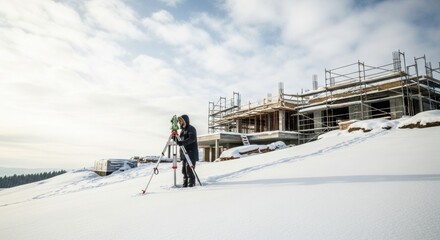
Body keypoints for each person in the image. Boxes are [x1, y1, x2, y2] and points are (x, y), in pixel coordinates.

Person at [175, 114, 198, 187]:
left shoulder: (191, 129)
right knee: (184, 171)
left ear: (185, 121)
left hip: (191, 153)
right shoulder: (182, 131)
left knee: (189, 171)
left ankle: (191, 185)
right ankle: (185, 185)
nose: (179, 122)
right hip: (184, 154)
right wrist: (174, 138)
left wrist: (183, 142)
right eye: (179, 121)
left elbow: (192, 138)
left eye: (180, 121)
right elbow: (180, 142)